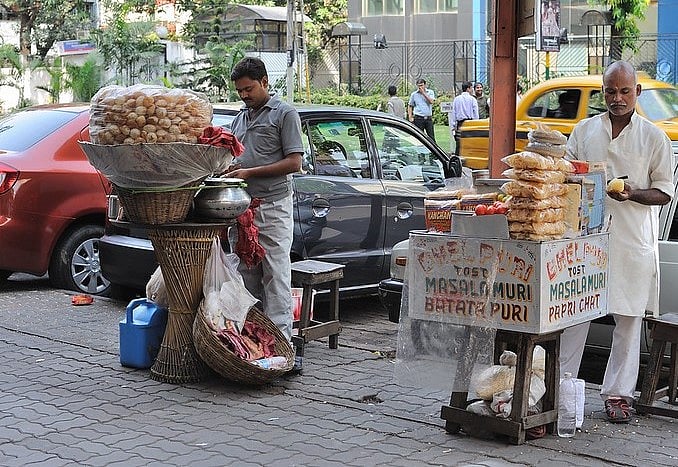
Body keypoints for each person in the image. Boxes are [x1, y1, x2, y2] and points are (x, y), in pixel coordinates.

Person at [560, 60, 674, 424]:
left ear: (637, 92)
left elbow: (664, 193)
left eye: (625, 91)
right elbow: (565, 172)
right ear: (603, 92)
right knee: (574, 316)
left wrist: (634, 193)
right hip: (586, 240)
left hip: (630, 242)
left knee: (627, 320)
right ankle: (562, 389)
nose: (618, 98)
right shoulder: (584, 131)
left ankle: (618, 395)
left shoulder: (654, 138)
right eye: (611, 91)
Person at [225, 57, 303, 343]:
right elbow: (234, 158)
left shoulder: (285, 114)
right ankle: (254, 342)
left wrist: (249, 171)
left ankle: (281, 345)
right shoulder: (239, 118)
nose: (244, 96)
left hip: (273, 208)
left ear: (265, 82)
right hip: (243, 210)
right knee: (246, 276)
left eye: (249, 89)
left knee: (276, 276)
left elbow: (294, 163)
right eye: (240, 91)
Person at [451, 81, 479, 155]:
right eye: (471, 88)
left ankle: (457, 160)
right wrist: (476, 124)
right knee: (470, 143)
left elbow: (454, 113)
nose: (472, 89)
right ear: (468, 89)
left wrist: (453, 127)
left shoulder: (457, 99)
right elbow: (475, 113)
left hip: (460, 123)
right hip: (470, 123)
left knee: (459, 144)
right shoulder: (473, 99)